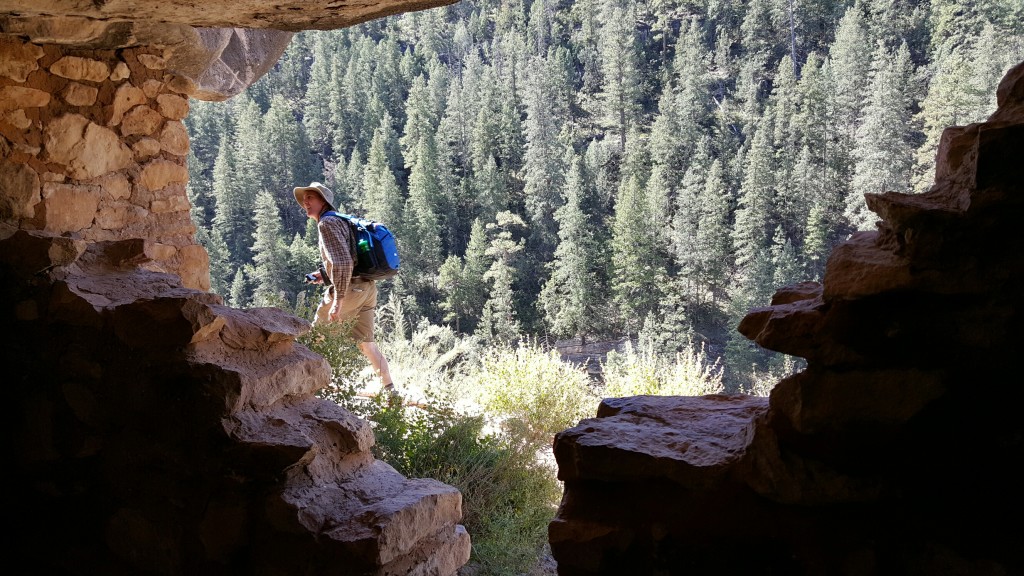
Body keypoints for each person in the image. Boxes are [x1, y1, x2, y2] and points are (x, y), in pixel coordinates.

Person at [294, 181, 396, 399]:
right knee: (368, 345)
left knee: (314, 339)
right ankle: (391, 393)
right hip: (367, 288)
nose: (306, 202)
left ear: (323, 201)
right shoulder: (342, 220)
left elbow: (342, 264)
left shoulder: (326, 224)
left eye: (310, 198)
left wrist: (338, 300)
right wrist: (323, 274)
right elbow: (349, 258)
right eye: (304, 199)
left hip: (348, 291)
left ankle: (307, 392)